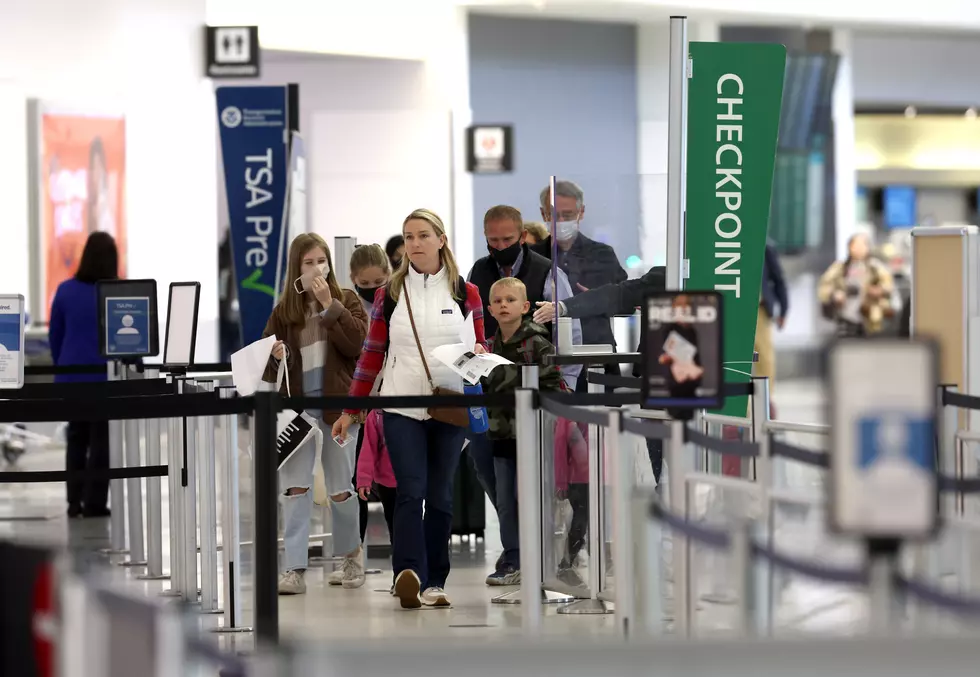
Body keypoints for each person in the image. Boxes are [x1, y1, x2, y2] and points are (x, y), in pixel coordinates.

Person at [333, 208, 487, 610]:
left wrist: (481, 355)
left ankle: (435, 580)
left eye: (422, 236)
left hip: (448, 407)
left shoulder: (465, 293)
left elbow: (481, 351)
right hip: (400, 406)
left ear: (440, 240)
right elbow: (371, 356)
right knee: (408, 491)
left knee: (440, 497)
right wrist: (351, 411)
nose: (414, 244)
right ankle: (409, 573)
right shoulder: (390, 294)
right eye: (408, 237)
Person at [466, 205, 582, 584]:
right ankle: (515, 550)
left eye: (507, 240)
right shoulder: (478, 275)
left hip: (535, 414)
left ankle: (537, 553)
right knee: (497, 482)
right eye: (492, 240)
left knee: (538, 486)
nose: (499, 246)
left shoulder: (549, 273)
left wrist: (558, 399)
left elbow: (568, 335)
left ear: (522, 237)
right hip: (494, 418)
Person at [262, 233, 369, 595]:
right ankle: (294, 567)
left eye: (321, 260)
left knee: (341, 488)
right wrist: (274, 353)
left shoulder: (347, 300)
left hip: (338, 409)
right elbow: (263, 358)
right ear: (296, 267)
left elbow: (356, 344)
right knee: (295, 488)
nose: (316, 268)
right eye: (308, 262)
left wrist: (329, 306)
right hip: (298, 412)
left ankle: (350, 558)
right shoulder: (284, 311)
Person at [481, 278, 563, 585]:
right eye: (498, 300)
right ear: (489, 308)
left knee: (535, 497)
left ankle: (542, 557)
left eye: (510, 300)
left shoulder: (538, 344)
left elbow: (554, 387)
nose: (503, 305)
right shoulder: (488, 346)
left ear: (525, 306)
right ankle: (513, 557)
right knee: (506, 500)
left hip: (533, 434)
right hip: (501, 434)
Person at [530, 180, 627, 385]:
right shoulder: (533, 258)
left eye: (568, 215)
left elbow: (624, 299)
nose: (561, 220)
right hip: (548, 359)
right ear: (543, 214)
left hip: (597, 355)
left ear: (581, 212)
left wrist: (597, 298)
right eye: (555, 215)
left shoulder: (603, 255)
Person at [49, 231, 117, 518]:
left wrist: (64, 365)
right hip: (104, 379)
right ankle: (95, 504)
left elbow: (56, 337)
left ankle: (73, 501)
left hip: (72, 378)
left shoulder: (65, 291)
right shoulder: (116, 294)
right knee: (101, 440)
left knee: (76, 437)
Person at [347, 243, 391, 548]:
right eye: (364, 284)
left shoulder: (397, 303)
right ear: (352, 279)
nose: (371, 290)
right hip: (357, 405)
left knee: (391, 483)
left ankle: (404, 559)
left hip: (390, 403)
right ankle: (354, 552)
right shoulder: (350, 310)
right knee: (355, 481)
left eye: (378, 283)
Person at [818, 233, 895, 337]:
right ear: (850, 247)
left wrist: (878, 290)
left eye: (862, 245)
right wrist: (835, 294)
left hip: (869, 315)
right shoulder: (840, 268)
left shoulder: (875, 267)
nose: (859, 249)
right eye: (855, 246)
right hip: (846, 314)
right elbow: (825, 285)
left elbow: (888, 285)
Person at [355, 410, 396, 562]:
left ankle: (415, 568)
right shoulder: (377, 415)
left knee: (412, 527)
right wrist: (364, 479)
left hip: (413, 481)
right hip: (387, 483)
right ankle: (400, 571)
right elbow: (368, 449)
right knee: (394, 527)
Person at [756, 241, 788, 397]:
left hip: (760, 309)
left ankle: (767, 399)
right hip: (735, 309)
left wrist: (783, 310)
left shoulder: (765, 246)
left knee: (764, 357)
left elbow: (778, 279)